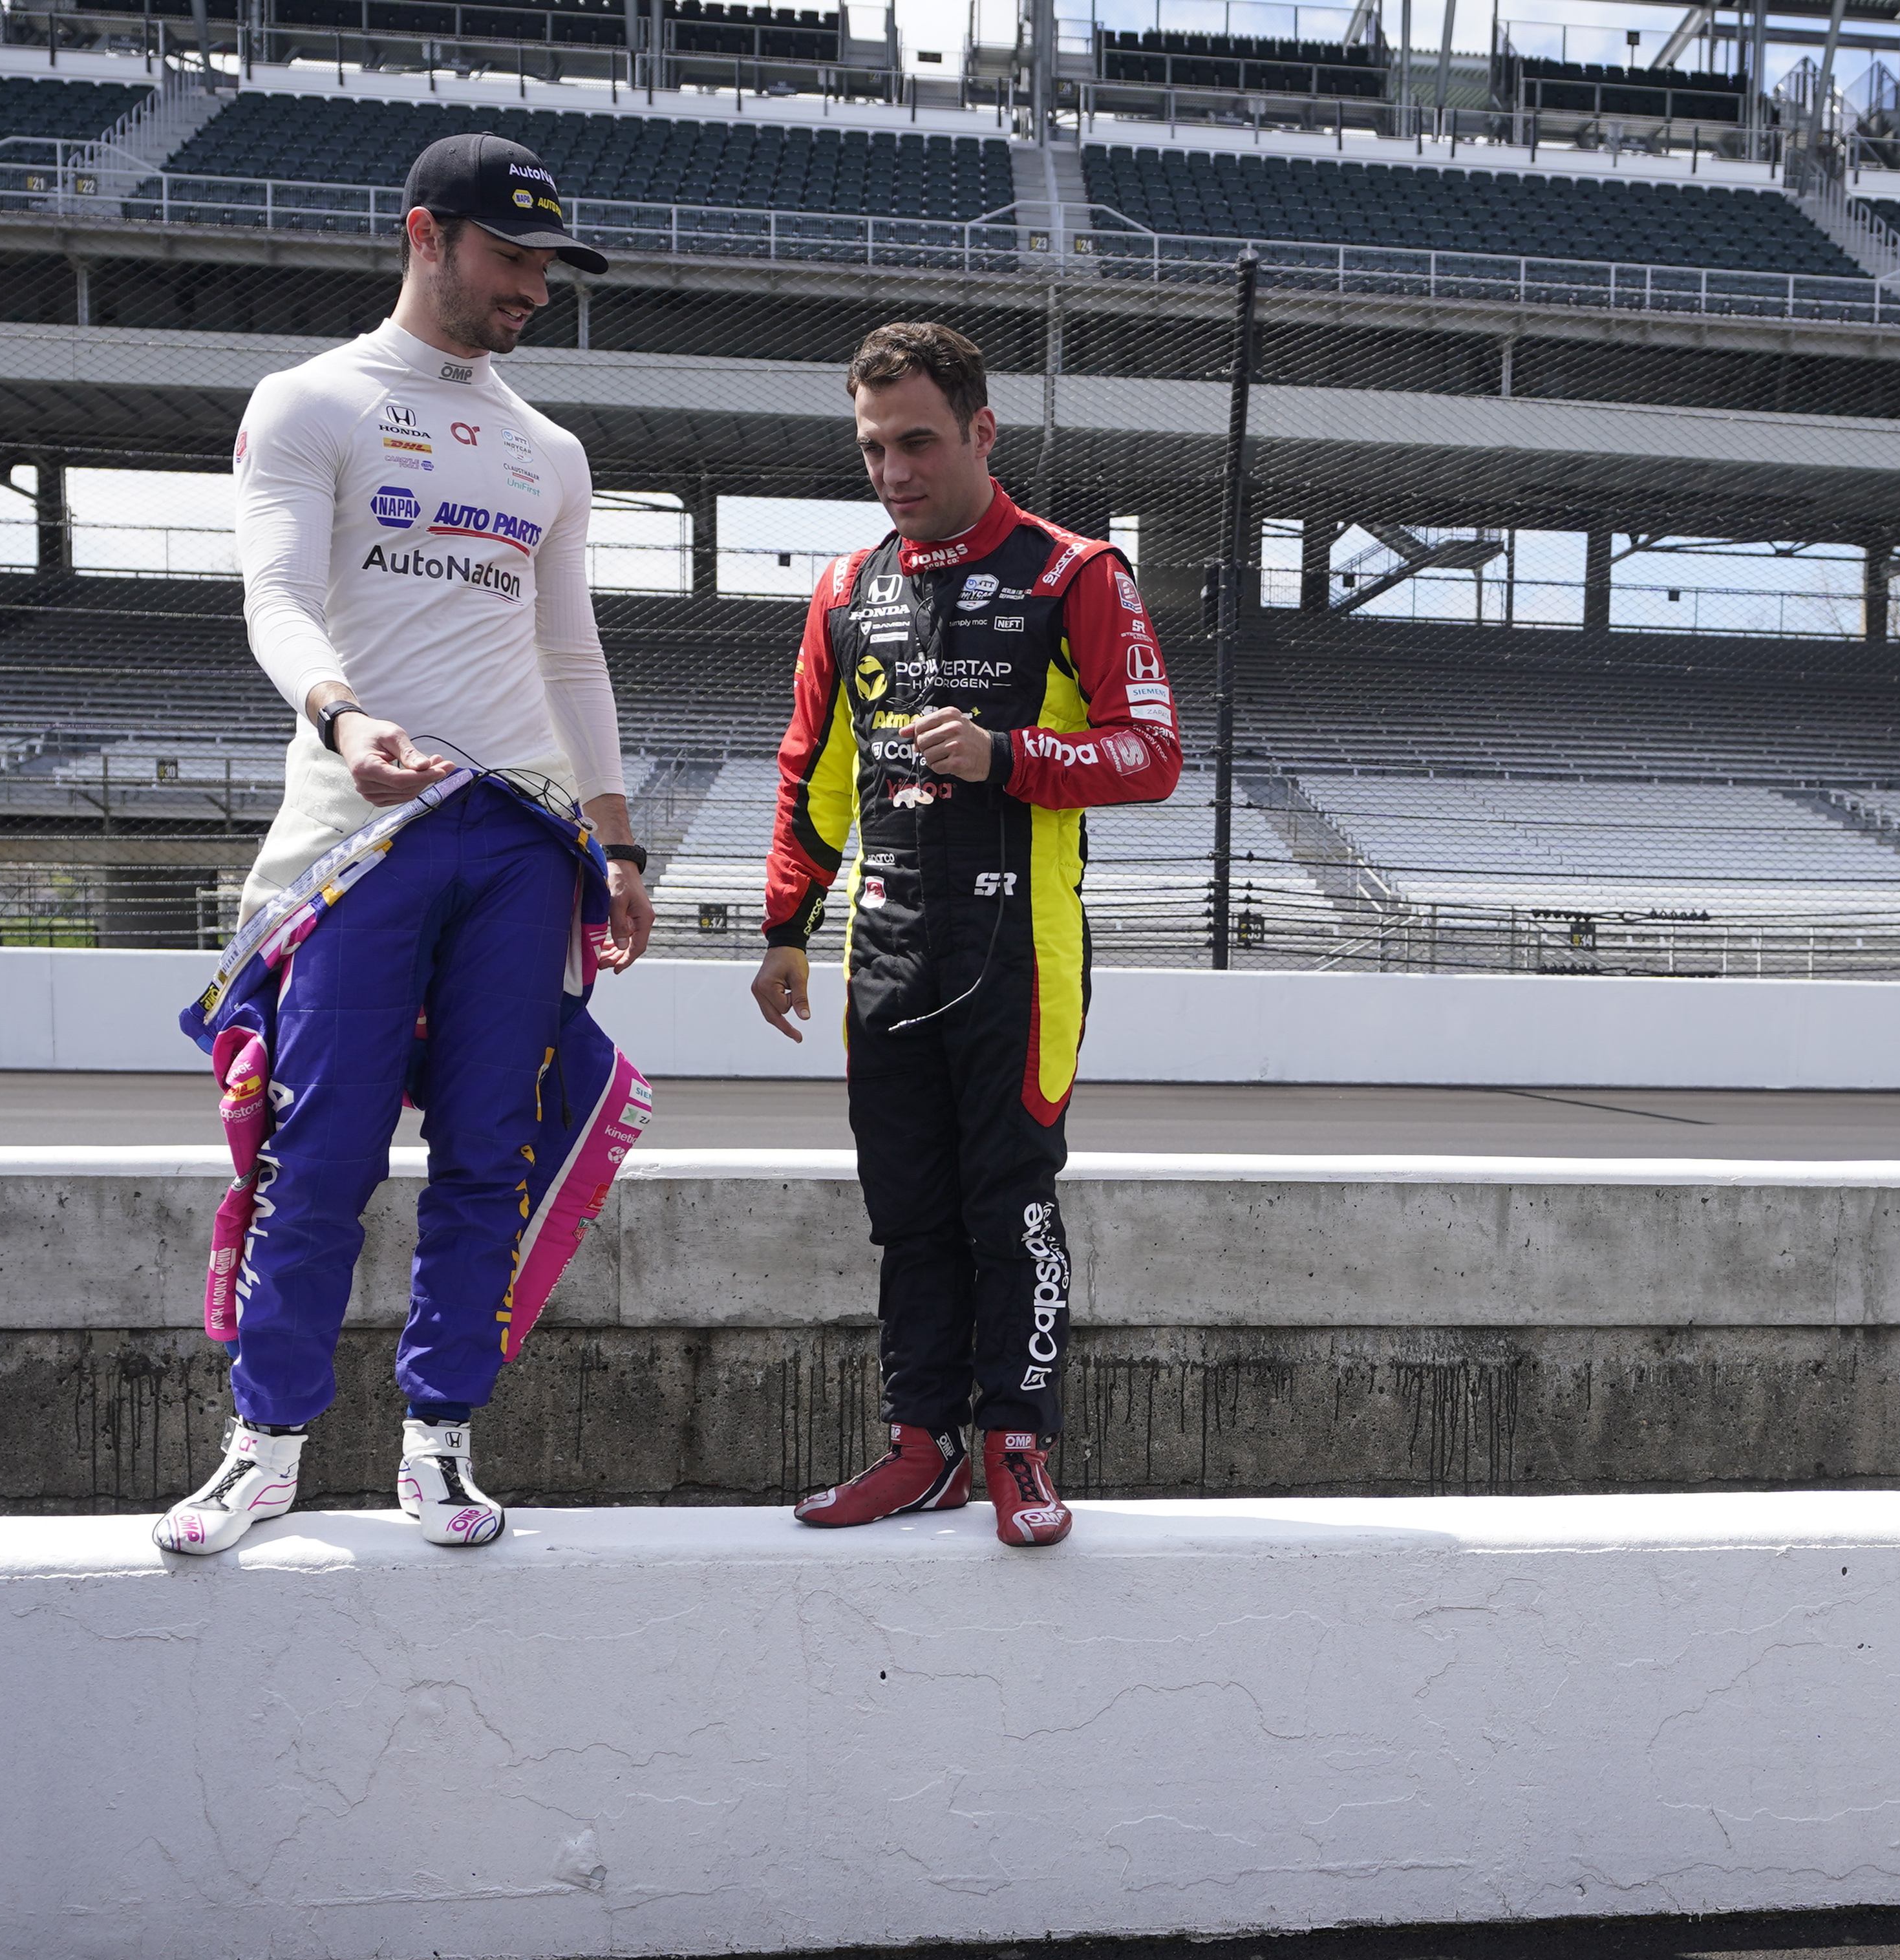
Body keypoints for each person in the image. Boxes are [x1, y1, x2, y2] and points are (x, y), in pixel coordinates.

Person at [155, 133, 657, 1558]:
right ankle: (263, 1447)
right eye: (511, 259)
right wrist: (339, 716)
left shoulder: (546, 447)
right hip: (363, 827)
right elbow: (272, 597)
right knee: (319, 1150)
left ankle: (440, 1442)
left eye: (548, 267)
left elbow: (573, 654)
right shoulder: (307, 400)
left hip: (520, 837)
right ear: (425, 235)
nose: (534, 290)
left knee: (488, 1153)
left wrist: (616, 845)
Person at [751, 321, 1181, 1549]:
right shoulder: (844, 590)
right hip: (879, 957)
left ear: (983, 433)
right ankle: (921, 1446)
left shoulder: (1076, 574)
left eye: (919, 443)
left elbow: (1152, 754)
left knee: (1012, 1205)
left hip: (1020, 961)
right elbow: (810, 777)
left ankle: (1021, 1446)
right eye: (874, 448)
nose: (894, 471)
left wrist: (1010, 756)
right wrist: (786, 928)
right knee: (908, 1212)